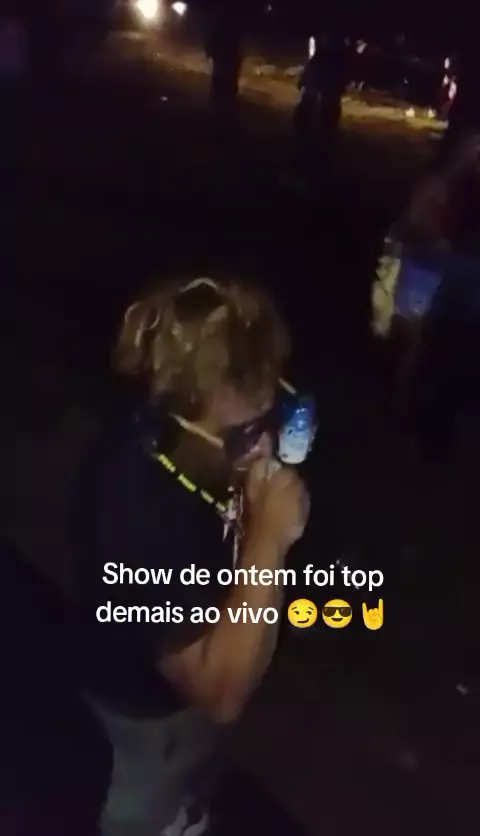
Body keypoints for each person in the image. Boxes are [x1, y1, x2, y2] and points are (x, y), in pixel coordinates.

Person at [71, 276, 310, 836]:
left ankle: (185, 811)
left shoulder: (183, 434)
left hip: (188, 721)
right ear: (194, 409)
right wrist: (269, 539)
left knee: (197, 771)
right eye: (248, 431)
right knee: (146, 808)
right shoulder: (136, 507)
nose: (266, 444)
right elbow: (220, 693)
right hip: (142, 725)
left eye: (274, 412)